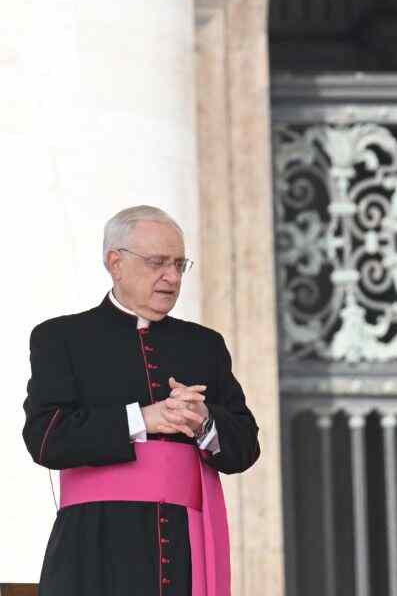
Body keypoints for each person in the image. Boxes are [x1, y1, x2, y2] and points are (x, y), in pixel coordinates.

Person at [23, 205, 260, 596]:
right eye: (157, 263)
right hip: (93, 547)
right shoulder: (61, 338)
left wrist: (204, 422)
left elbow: (246, 448)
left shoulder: (204, 345)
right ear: (115, 262)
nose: (171, 277)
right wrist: (142, 420)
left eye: (180, 264)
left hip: (185, 548)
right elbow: (45, 438)